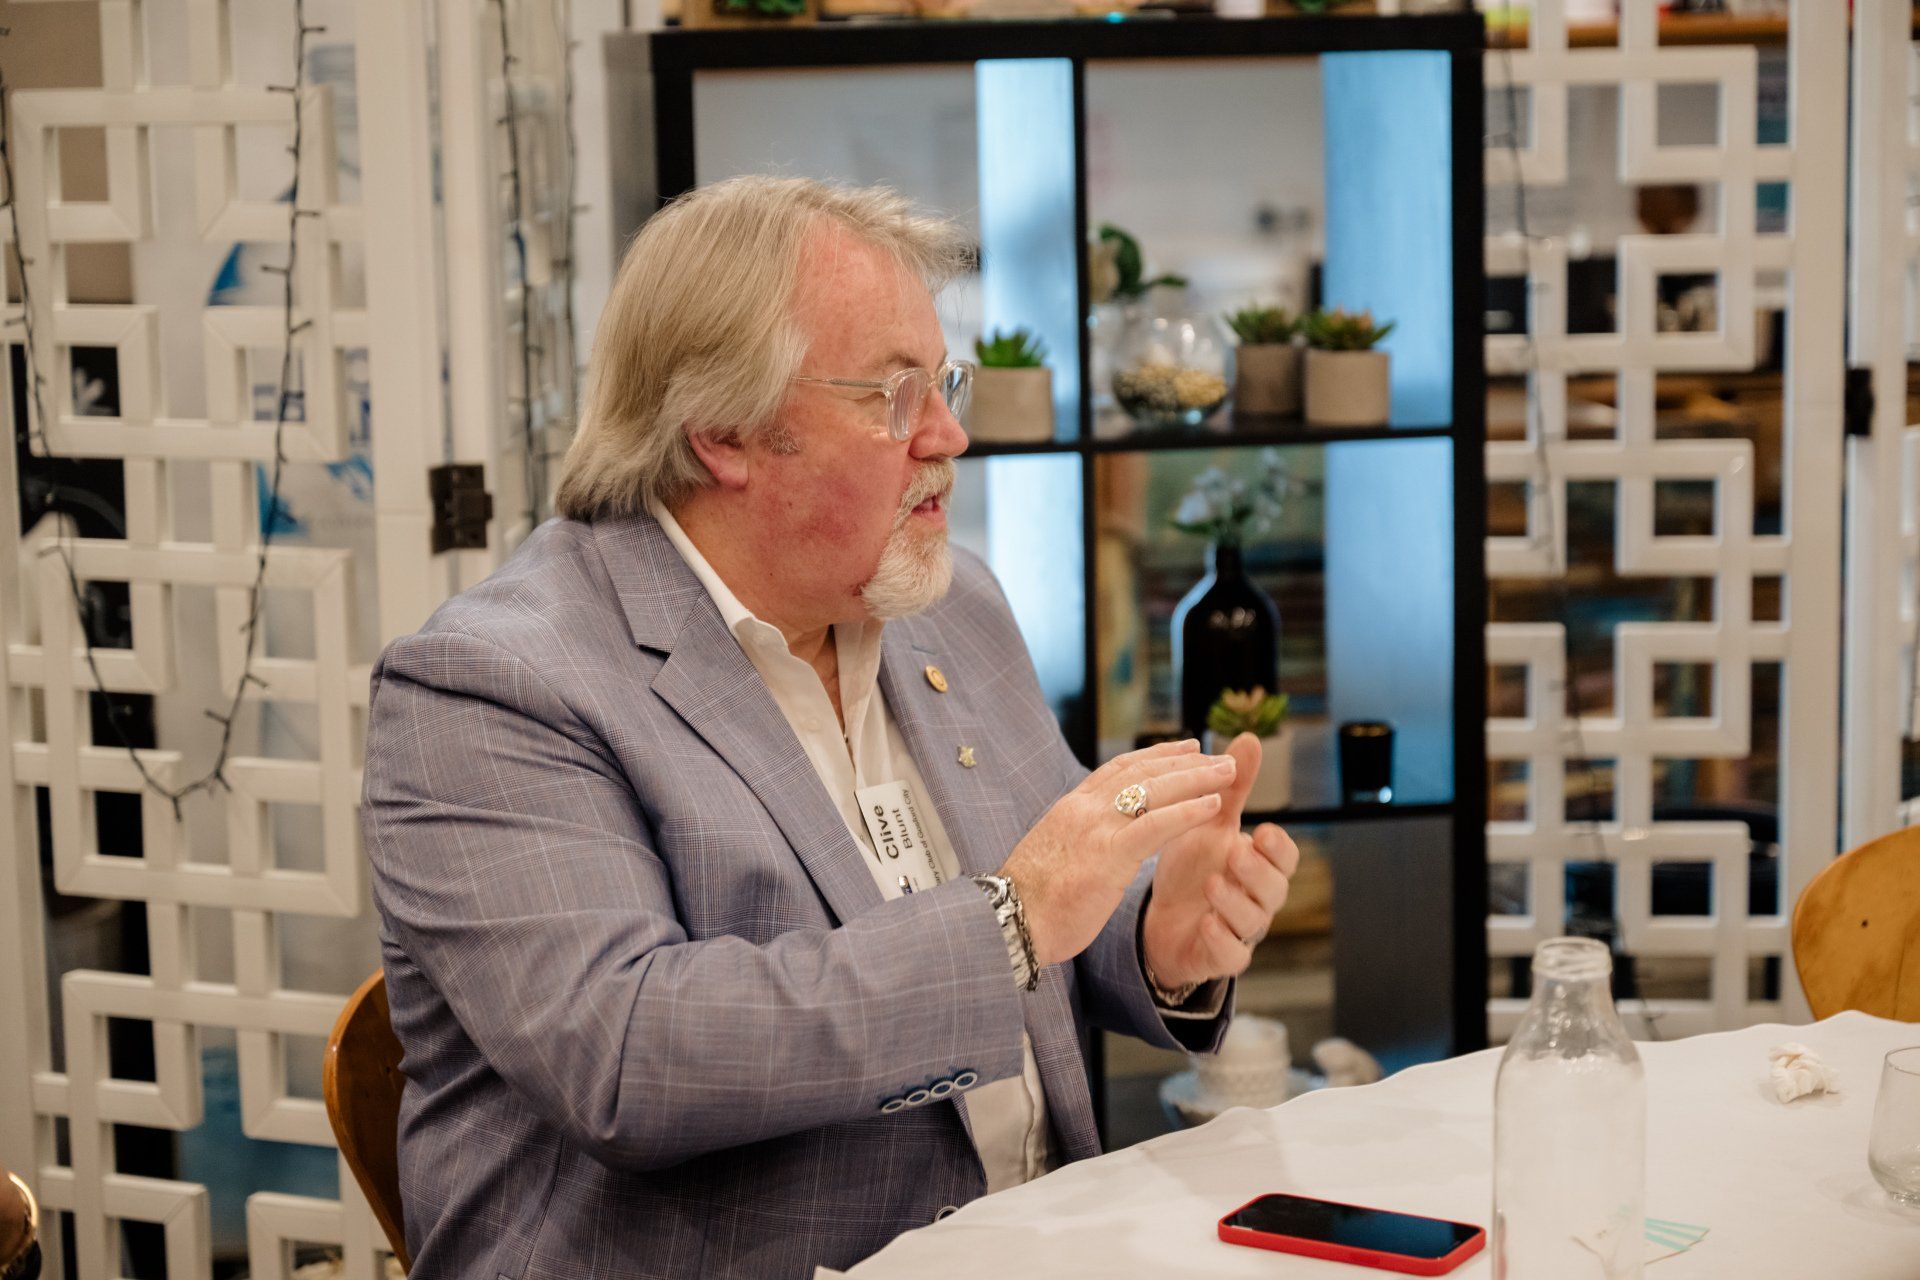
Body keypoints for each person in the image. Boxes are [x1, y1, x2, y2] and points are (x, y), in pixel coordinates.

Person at [361, 175, 1299, 1280]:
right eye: (895, 396)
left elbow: (1050, 921)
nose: (950, 431)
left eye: (941, 382)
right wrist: (1013, 920)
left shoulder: (948, 604)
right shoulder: (494, 682)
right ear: (726, 432)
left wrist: (1158, 941)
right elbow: (629, 1056)